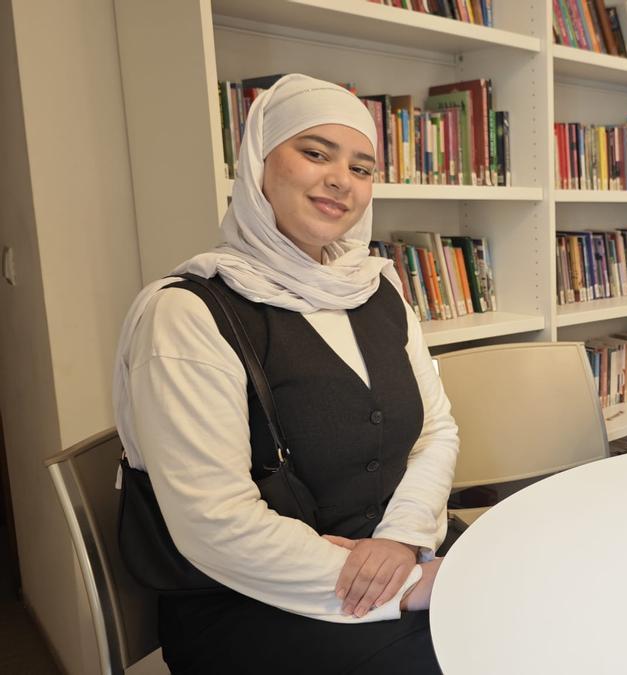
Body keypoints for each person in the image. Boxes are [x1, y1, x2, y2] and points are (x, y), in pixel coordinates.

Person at [113, 74, 456, 673]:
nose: (340, 180)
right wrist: (400, 587)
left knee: (537, 600)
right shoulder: (187, 313)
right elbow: (214, 522)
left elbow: (435, 432)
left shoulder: (380, 292)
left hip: (399, 551)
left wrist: (402, 540)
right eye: (315, 152)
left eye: (362, 166)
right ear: (258, 164)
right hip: (245, 603)